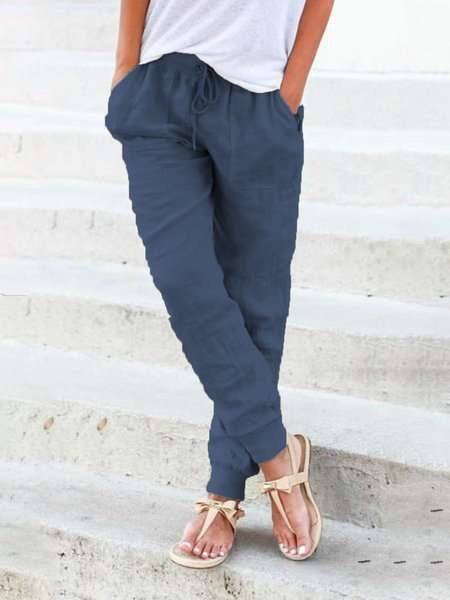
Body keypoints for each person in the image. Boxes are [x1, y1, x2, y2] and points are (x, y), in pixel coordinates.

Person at [105, 0, 334, 569]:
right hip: (159, 86)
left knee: (257, 303)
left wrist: (289, 90)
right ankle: (278, 457)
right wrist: (126, 67)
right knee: (184, 282)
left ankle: (224, 489)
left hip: (260, 96)